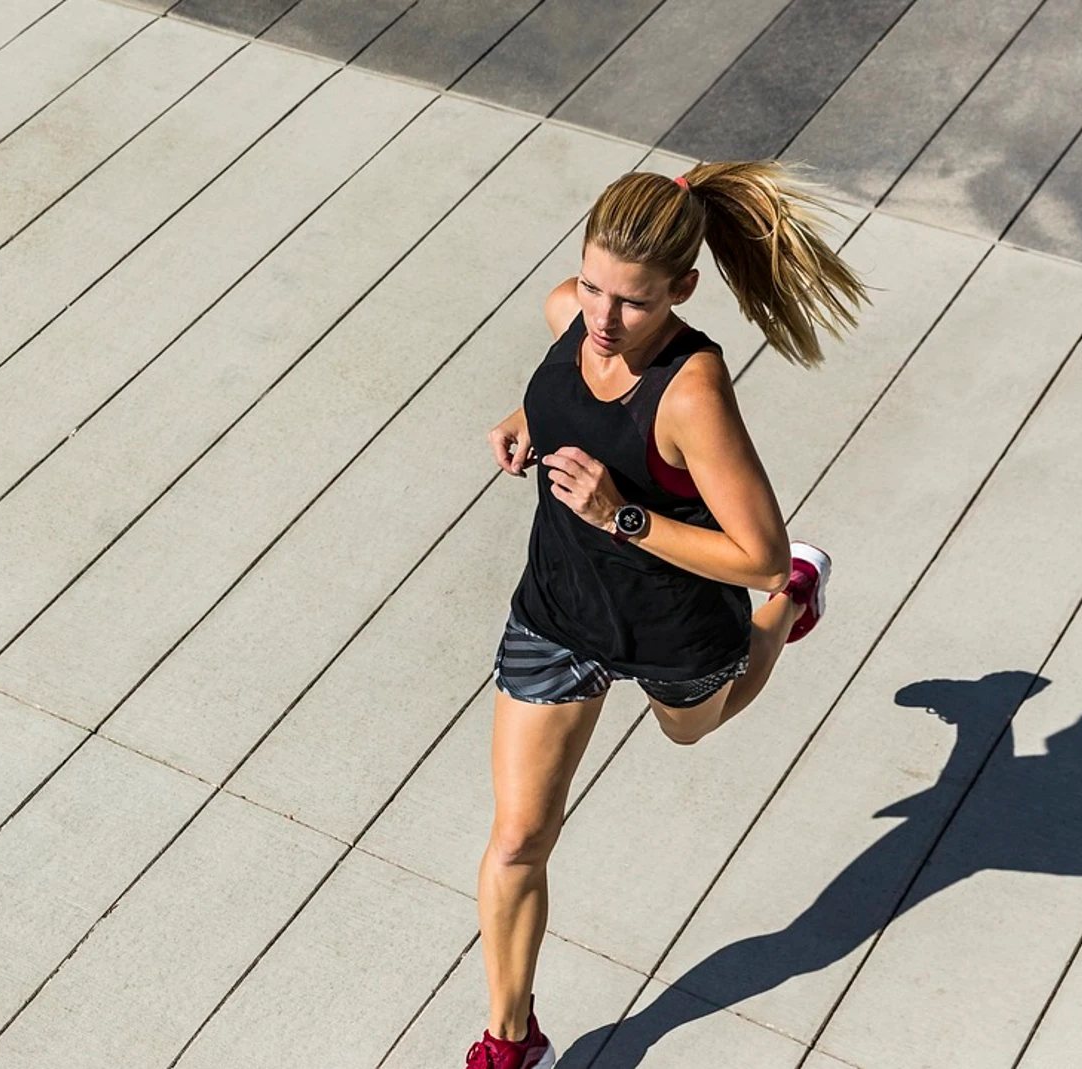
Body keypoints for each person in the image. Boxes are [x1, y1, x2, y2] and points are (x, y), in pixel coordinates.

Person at [465, 162, 869, 1069]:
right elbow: (562, 372)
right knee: (520, 836)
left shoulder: (692, 391)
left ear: (682, 290)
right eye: (596, 288)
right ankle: (509, 1040)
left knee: (695, 727)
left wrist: (622, 515)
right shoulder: (573, 310)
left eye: (633, 304)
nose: (603, 322)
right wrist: (522, 414)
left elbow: (755, 547)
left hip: (675, 619)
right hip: (560, 609)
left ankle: (791, 607)